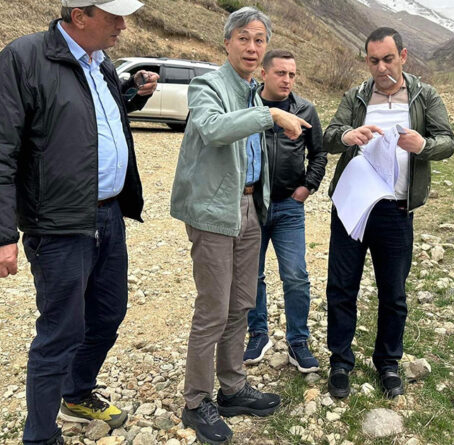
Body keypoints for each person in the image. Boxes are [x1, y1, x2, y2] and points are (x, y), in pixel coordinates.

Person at [0, 1, 159, 443]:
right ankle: (40, 435)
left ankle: (76, 394)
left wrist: (131, 96)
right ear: (79, 16)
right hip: (58, 224)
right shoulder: (24, 58)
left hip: (108, 215)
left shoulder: (100, 62)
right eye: (113, 16)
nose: (123, 24)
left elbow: (84, 120)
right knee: (61, 332)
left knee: (108, 315)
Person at [169, 7, 311, 445]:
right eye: (244, 38)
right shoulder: (208, 85)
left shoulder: (251, 90)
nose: (252, 47)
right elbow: (213, 129)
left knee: (241, 304)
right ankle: (196, 401)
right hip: (214, 211)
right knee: (213, 308)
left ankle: (231, 388)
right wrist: (271, 116)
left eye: (259, 40)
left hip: (251, 207)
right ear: (227, 42)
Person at [323, 27, 454, 399]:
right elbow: (330, 136)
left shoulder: (424, 95)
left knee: (393, 294)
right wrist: (347, 136)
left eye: (388, 59)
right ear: (366, 61)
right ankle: (340, 362)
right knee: (341, 287)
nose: (381, 68)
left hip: (396, 211)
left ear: (403, 56)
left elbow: (448, 142)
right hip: (352, 207)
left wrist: (423, 145)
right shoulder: (356, 96)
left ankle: (388, 364)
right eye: (373, 61)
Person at [243, 50, 327, 373]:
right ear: (263, 74)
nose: (287, 80)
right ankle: (258, 334)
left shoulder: (306, 110)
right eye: (280, 73)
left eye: (292, 74)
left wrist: (308, 187)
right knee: (252, 275)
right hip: (253, 205)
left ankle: (298, 341)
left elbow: (319, 154)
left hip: (289, 208)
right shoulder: (249, 108)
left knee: (296, 275)